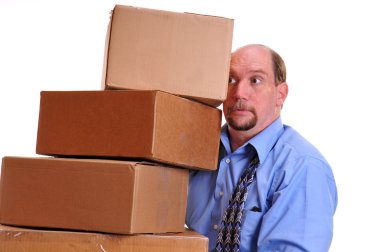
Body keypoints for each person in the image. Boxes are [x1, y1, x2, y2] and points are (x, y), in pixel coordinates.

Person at [186, 44, 338, 252]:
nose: (239, 93)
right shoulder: (191, 152)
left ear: (280, 94)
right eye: (230, 80)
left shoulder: (303, 167)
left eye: (255, 80)